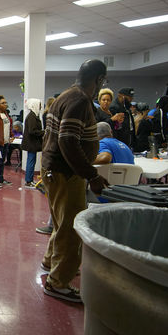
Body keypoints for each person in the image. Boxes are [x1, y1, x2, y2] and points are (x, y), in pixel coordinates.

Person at [41, 59, 110, 303]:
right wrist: (91, 174)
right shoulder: (79, 100)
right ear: (100, 79)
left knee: (61, 220)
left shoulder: (65, 95)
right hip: (66, 172)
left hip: (54, 169)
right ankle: (58, 282)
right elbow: (68, 141)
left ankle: (51, 262)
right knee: (71, 228)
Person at [23, 98, 44, 186]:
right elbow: (32, 131)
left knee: (31, 161)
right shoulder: (32, 116)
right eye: (39, 105)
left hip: (31, 143)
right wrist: (43, 132)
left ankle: (29, 180)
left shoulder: (33, 115)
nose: (40, 107)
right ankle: (28, 181)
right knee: (31, 161)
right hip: (31, 143)